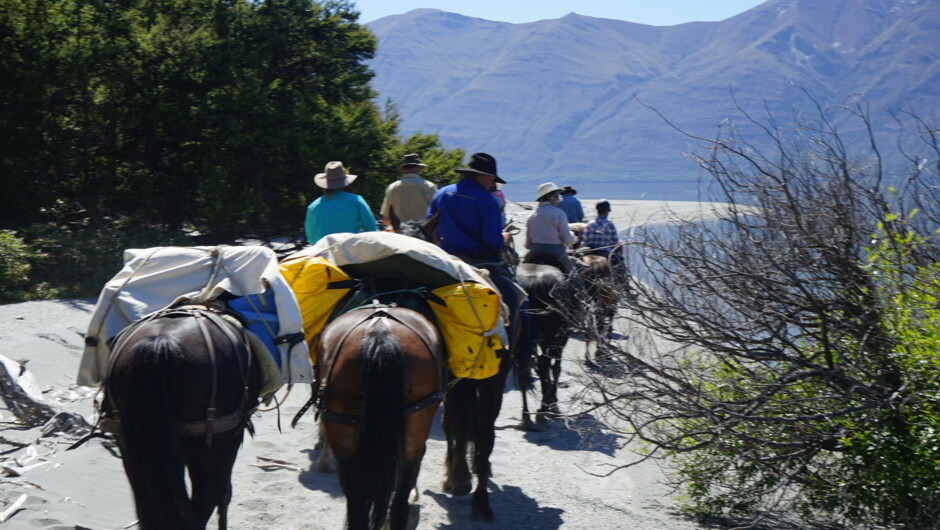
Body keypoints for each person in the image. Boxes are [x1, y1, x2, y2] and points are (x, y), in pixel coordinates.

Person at [425, 152, 532, 359]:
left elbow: (429, 229)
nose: (492, 183)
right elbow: (490, 240)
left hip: (444, 259)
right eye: (491, 178)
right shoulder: (487, 201)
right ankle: (523, 359)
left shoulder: (441, 194)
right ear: (481, 176)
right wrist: (505, 237)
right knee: (520, 300)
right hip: (480, 262)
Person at [304, 161, 377, 244]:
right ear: (344, 182)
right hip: (351, 250)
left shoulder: (314, 207)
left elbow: (311, 237)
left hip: (324, 253)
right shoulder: (356, 200)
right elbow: (371, 229)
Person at [523, 182, 576, 274]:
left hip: (535, 252)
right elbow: (567, 238)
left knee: (517, 271)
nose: (558, 199)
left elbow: (527, 244)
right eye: (556, 196)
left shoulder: (531, 216)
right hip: (556, 252)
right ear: (549, 197)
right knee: (574, 276)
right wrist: (573, 238)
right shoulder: (559, 213)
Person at [380, 153, 438, 230]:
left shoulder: (392, 188)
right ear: (419, 168)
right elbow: (437, 215)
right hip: (423, 233)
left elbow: (386, 220)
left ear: (403, 169)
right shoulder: (430, 187)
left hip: (400, 232)